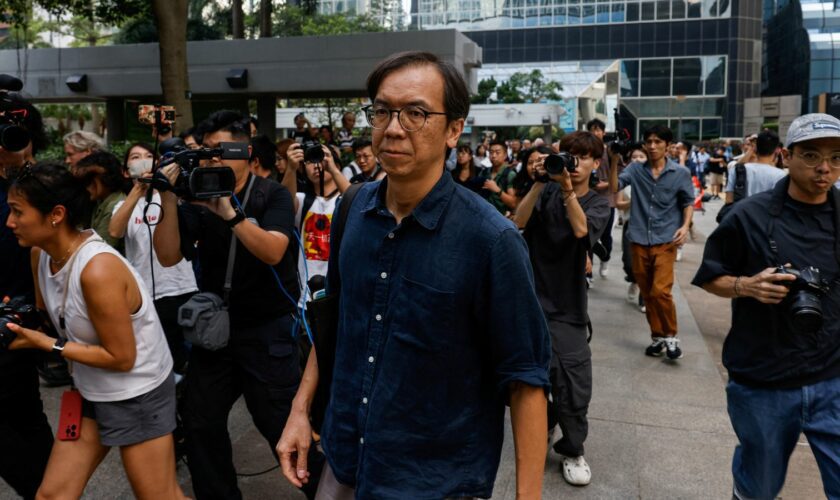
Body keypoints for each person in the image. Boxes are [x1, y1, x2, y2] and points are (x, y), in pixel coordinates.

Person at [277, 51, 550, 499]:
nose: (394, 127)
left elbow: (526, 380)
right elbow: (336, 323)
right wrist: (300, 410)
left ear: (454, 130)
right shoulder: (353, 209)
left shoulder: (492, 241)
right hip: (345, 462)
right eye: (382, 111)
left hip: (433, 481)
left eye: (417, 113)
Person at [153, 110, 321, 499]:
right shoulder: (194, 198)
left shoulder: (270, 194)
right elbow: (166, 256)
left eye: (219, 150)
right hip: (217, 333)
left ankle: (332, 492)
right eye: (205, 152)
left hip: (266, 330)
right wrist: (166, 193)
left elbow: (275, 251)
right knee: (199, 422)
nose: (212, 160)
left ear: (244, 149)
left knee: (281, 423)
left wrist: (230, 214)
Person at [5, 162, 185, 500]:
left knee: (160, 496)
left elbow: (122, 357)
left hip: (137, 393)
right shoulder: (39, 256)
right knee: (52, 496)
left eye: (17, 211)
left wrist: (48, 345)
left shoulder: (97, 270)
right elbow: (47, 318)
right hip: (90, 389)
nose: (9, 222)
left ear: (56, 214)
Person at [691, 113, 840, 499]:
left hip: (833, 377)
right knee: (758, 487)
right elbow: (709, 276)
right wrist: (747, 286)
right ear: (785, 157)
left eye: (836, 158)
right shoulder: (748, 216)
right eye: (811, 155)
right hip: (764, 380)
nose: (824, 168)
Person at [514, 136, 611, 486]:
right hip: (531, 301)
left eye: (586, 158)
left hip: (568, 307)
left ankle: (572, 448)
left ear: (595, 164)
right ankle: (541, 429)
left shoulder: (599, 204)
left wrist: (567, 189)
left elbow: (582, 230)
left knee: (573, 384)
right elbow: (518, 223)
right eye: (572, 156)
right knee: (531, 380)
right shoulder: (547, 191)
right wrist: (539, 184)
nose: (577, 163)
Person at [0, 91, 54, 499]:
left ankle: (48, 492)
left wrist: (25, 169)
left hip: (23, 322)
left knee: (25, 418)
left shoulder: (42, 183)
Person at [108, 143, 199, 375]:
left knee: (188, 358)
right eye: (135, 157)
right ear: (126, 170)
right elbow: (115, 231)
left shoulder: (172, 197)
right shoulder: (124, 204)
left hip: (182, 287)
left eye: (149, 156)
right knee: (159, 357)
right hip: (147, 292)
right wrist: (138, 190)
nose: (143, 160)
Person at [610, 124, 694, 360]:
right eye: (649, 141)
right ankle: (657, 336)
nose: (653, 146)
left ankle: (671, 336)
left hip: (665, 239)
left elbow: (688, 201)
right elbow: (615, 186)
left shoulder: (680, 173)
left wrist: (685, 226)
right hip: (638, 238)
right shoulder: (636, 170)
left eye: (658, 141)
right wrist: (614, 159)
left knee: (661, 291)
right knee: (647, 293)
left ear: (668, 146)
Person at [280, 142, 349, 300]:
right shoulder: (302, 200)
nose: (316, 166)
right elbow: (283, 205)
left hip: (339, 292)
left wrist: (332, 168)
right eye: (309, 162)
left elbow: (358, 202)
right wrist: (291, 168)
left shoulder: (343, 200)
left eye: (321, 159)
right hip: (305, 295)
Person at [74, 151, 128, 252]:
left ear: (104, 178)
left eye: (89, 180)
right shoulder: (99, 202)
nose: (86, 187)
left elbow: (101, 248)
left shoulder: (115, 205)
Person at [588, 118, 619, 278]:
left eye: (598, 130)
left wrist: (605, 185)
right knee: (588, 236)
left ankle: (605, 258)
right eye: (592, 130)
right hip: (587, 198)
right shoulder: (585, 151)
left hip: (608, 200)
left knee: (605, 236)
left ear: (603, 132)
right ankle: (588, 273)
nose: (595, 133)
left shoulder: (610, 151)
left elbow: (619, 175)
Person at [619, 144, 647, 313]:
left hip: (649, 226)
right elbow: (618, 204)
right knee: (629, 263)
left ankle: (644, 298)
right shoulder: (626, 179)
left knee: (646, 264)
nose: (637, 159)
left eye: (641, 156)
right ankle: (634, 280)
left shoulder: (654, 178)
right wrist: (632, 202)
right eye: (634, 157)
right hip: (630, 224)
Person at [723, 130, 787, 204]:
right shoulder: (781, 175)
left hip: (741, 213)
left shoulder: (736, 169)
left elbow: (729, 200)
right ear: (776, 150)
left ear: (755, 148)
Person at [481, 139, 517, 214]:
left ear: (505, 155)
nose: (493, 156)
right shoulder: (484, 173)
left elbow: (513, 204)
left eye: (497, 152)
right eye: (491, 152)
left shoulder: (510, 174)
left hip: (502, 218)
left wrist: (497, 190)